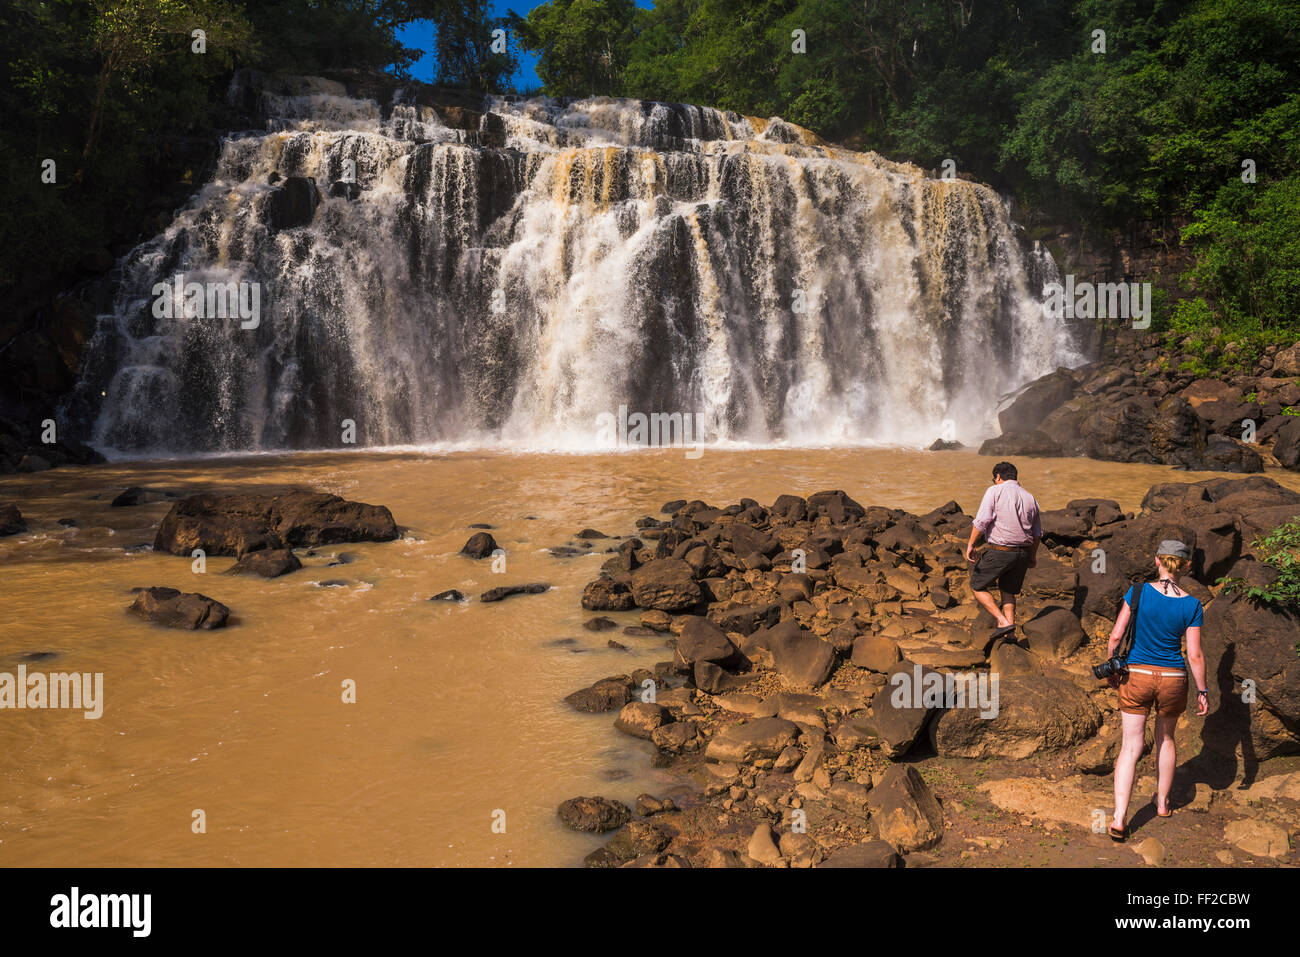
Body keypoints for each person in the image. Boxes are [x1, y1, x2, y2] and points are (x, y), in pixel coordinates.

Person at [1105, 541, 1208, 842]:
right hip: (1173, 678)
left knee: (1131, 746)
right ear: (1187, 567)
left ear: (1157, 561)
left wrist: (1112, 667)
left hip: (1136, 675)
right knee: (1166, 737)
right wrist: (1202, 691)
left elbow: (1115, 635)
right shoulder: (1192, 604)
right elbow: (1195, 655)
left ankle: (1120, 819)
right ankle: (1162, 803)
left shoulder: (1137, 592)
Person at [965, 461, 1042, 644]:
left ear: (998, 476)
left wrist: (971, 544)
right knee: (1008, 591)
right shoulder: (1030, 497)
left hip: (1001, 551)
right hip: (1022, 553)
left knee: (977, 584)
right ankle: (1011, 635)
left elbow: (982, 521)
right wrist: (1032, 555)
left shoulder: (994, 491)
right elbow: (1037, 533)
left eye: (994, 478)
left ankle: (1002, 622)